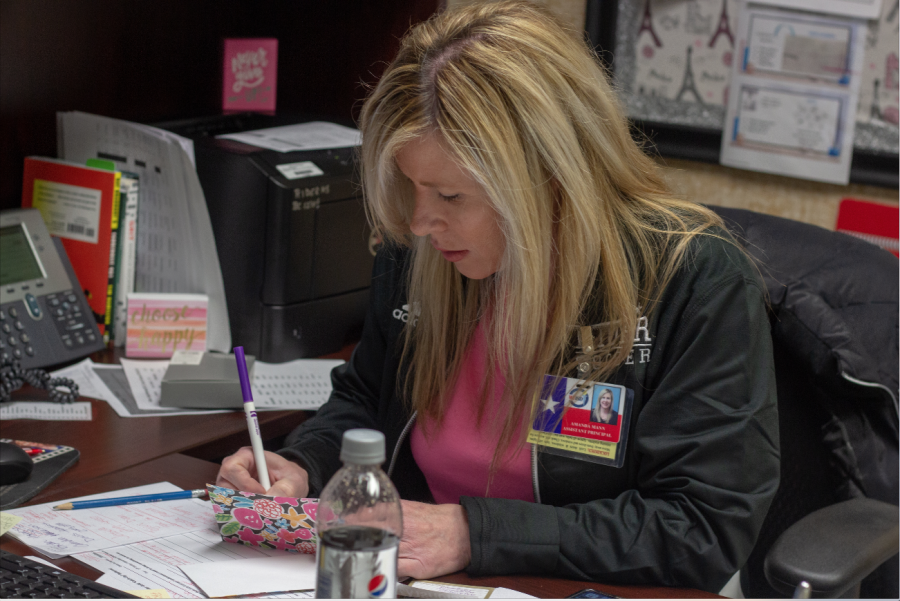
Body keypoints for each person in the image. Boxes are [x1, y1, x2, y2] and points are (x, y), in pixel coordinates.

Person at [217, 1, 779, 592]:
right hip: (426, 580)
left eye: (451, 197)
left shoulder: (693, 279)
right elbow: (366, 399)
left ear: (548, 178)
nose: (420, 223)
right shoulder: (423, 258)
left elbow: (702, 528)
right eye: (412, 188)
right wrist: (303, 465)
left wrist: (474, 534)